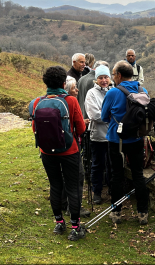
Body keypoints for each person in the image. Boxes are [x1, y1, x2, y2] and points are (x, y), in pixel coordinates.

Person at [31, 66, 86, 241]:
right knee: (72, 187)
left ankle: (59, 223)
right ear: (64, 82)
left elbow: (35, 128)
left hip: (46, 151)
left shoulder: (37, 102)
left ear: (45, 82)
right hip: (69, 151)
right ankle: (76, 228)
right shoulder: (70, 101)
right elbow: (81, 128)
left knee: (55, 186)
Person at [101, 60, 149, 225]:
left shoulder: (113, 93)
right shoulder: (143, 90)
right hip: (137, 139)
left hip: (116, 140)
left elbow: (103, 116)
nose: (113, 77)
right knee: (138, 175)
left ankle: (116, 213)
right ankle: (143, 213)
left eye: (113, 74)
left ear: (119, 75)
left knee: (116, 176)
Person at [85, 65, 113, 204]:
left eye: (106, 77)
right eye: (101, 78)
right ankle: (96, 192)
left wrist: (105, 113)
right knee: (97, 164)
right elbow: (94, 115)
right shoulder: (91, 93)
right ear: (96, 79)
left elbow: (118, 111)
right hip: (97, 136)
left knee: (111, 164)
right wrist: (110, 115)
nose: (104, 80)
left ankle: (111, 188)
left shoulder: (113, 91)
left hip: (112, 136)